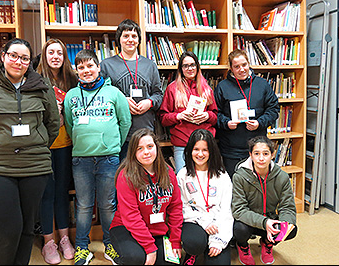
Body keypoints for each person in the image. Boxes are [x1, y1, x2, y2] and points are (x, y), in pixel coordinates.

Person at [0, 37, 60, 265]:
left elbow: (52, 124)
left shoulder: (42, 86)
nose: (18, 61)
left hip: (34, 167)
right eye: (13, 55)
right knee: (8, 227)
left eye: (25, 58)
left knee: (27, 228)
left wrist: (36, 148)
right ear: (3, 56)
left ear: (30, 62)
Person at [64, 49, 131, 265]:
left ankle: (111, 245)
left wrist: (113, 145)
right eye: (81, 67)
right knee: (83, 205)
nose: (86, 70)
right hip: (81, 159)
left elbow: (125, 122)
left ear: (98, 66)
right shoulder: (72, 96)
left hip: (109, 158)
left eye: (90, 65)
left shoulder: (114, 93)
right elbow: (69, 124)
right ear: (76, 71)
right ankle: (82, 248)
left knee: (108, 205)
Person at [109, 128, 183, 265]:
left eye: (150, 146)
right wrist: (150, 248)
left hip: (157, 229)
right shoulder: (126, 176)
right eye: (140, 148)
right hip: (126, 228)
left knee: (171, 262)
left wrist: (175, 240)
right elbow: (131, 216)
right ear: (133, 152)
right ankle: (118, 258)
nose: (146, 152)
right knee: (137, 258)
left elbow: (176, 207)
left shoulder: (168, 172)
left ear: (156, 147)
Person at [36, 38, 78, 264]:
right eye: (51, 52)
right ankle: (48, 242)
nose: (55, 57)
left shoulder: (71, 80)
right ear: (45, 55)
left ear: (64, 57)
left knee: (62, 192)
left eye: (59, 53)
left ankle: (64, 238)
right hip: (42, 147)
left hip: (66, 145)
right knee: (46, 194)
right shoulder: (34, 79)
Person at [100, 19, 163, 161]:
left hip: (145, 133)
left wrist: (150, 102)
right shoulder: (106, 65)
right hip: (119, 134)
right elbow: (101, 96)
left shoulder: (150, 65)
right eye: (126, 36)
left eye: (134, 36)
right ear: (119, 40)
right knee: (124, 179)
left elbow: (158, 94)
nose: (130, 40)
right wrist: (121, 101)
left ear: (139, 40)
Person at [231, 135, 297, 265]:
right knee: (239, 229)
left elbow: (287, 207)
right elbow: (239, 210)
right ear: (250, 155)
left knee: (291, 229)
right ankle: (243, 246)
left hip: (270, 219)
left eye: (265, 153)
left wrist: (285, 225)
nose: (261, 158)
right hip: (248, 222)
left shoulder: (282, 177)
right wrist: (264, 222)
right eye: (256, 153)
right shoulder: (239, 176)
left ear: (272, 155)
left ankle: (267, 243)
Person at [214, 49, 279, 179]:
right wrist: (226, 123)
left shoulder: (262, 84)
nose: (242, 69)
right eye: (237, 66)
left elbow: (273, 109)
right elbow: (215, 114)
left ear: (249, 64)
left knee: (257, 186)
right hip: (231, 150)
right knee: (234, 186)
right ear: (231, 69)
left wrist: (260, 123)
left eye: (244, 65)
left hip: (258, 148)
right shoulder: (222, 87)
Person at [177, 129, 233, 265]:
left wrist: (218, 241)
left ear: (211, 152)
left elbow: (226, 210)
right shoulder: (182, 175)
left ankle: (210, 245)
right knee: (194, 243)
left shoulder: (222, 176)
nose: (200, 154)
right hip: (194, 220)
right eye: (196, 149)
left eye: (205, 150)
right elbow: (181, 207)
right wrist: (204, 222)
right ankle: (194, 252)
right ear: (190, 150)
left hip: (217, 224)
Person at [159, 51, 218, 173]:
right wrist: (179, 116)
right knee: (183, 181)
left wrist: (207, 115)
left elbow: (215, 117)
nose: (189, 68)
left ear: (197, 67)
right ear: (180, 69)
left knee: (205, 180)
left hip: (205, 144)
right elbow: (163, 119)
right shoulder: (172, 88)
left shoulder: (207, 88)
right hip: (182, 144)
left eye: (192, 65)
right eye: (185, 66)